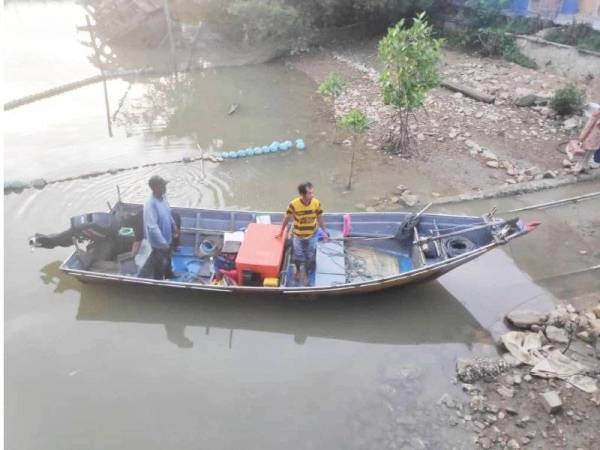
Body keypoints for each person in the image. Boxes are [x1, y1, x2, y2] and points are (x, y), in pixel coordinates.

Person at [276, 182, 329, 286]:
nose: (312, 195)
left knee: (310, 255)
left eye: (312, 192)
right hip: (298, 235)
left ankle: (306, 274)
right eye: (310, 193)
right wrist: (281, 231)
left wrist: (324, 231)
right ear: (303, 194)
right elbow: (286, 218)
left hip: (312, 234)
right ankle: (298, 271)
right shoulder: (294, 204)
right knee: (298, 256)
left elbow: (320, 217)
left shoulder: (316, 203)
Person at [143, 175, 179, 280]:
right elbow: (152, 227)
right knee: (159, 264)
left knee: (168, 258)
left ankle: (169, 275)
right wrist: (163, 243)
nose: (165, 188)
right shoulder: (150, 204)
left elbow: (168, 213)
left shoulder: (163, 198)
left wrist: (174, 224)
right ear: (154, 188)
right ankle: (158, 283)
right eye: (162, 186)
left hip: (167, 237)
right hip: (158, 243)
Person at [567, 108, 600, 173]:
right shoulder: (597, 114)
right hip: (596, 140)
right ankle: (585, 167)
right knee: (589, 155)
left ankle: (577, 169)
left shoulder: (596, 114)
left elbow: (588, 126)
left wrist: (581, 138)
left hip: (590, 139)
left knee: (583, 155)